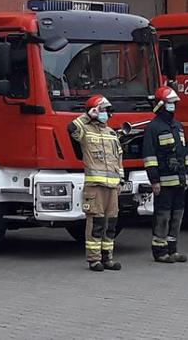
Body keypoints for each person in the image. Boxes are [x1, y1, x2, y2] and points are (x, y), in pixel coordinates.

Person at [70, 95, 126, 271]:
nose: (105, 114)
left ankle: (107, 258)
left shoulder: (111, 134)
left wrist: (120, 181)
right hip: (95, 187)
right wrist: (88, 115)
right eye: (101, 110)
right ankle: (94, 260)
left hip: (112, 188)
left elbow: (118, 159)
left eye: (106, 110)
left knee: (111, 224)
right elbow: (71, 128)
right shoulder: (85, 131)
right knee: (96, 223)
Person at [142, 86, 188, 263]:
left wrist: (187, 175)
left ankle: (172, 249)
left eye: (174, 103)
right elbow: (149, 156)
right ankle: (159, 250)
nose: (173, 106)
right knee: (162, 216)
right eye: (170, 103)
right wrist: (154, 180)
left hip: (179, 180)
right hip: (163, 182)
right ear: (161, 104)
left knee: (177, 215)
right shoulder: (153, 128)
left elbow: (183, 154)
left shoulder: (178, 126)